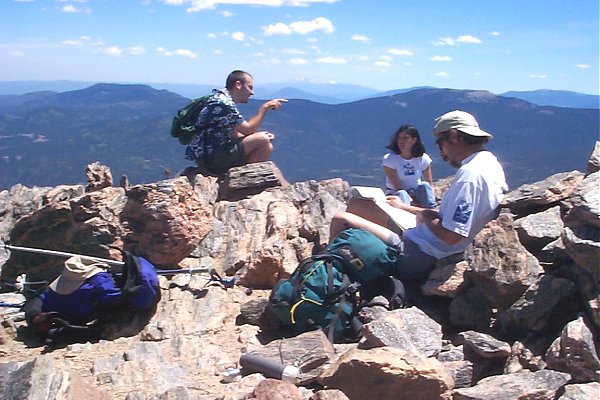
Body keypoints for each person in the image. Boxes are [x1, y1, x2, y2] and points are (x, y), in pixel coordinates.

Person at [330, 110, 508, 282]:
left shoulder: (470, 177)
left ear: (454, 137)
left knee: (341, 219)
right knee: (361, 206)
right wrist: (405, 208)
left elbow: (452, 235)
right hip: (426, 242)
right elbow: (455, 219)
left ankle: (322, 274)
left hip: (416, 254)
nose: (440, 150)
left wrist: (426, 216)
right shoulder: (489, 163)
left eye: (440, 142)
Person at [185, 70, 287, 174]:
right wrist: (264, 108)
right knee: (263, 139)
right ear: (238, 84)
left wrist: (255, 136)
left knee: (266, 145)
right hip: (212, 158)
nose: (252, 92)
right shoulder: (223, 104)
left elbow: (232, 132)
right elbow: (248, 129)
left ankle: (244, 178)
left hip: (211, 155)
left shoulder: (219, 99)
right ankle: (245, 179)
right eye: (250, 87)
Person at [382, 124, 436, 208]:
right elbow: (398, 187)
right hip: (396, 194)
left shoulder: (423, 158)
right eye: (399, 138)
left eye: (405, 138)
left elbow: (429, 183)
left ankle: (431, 210)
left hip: (415, 193)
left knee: (424, 185)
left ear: (414, 140)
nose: (401, 141)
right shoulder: (389, 159)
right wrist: (411, 202)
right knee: (402, 193)